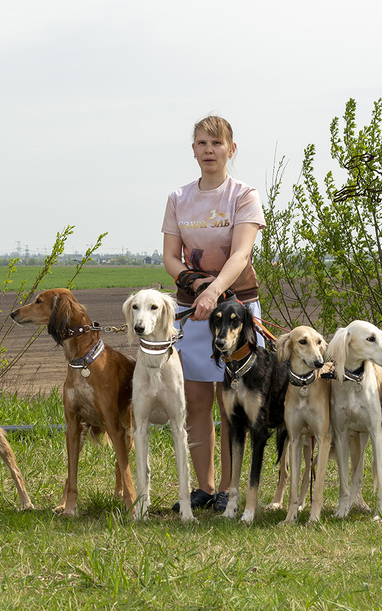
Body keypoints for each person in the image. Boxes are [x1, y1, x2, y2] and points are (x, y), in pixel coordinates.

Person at [161, 115, 266, 513]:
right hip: (192, 309)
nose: (209, 151)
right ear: (193, 150)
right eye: (202, 143)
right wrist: (195, 284)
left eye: (216, 144)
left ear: (231, 150)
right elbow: (170, 257)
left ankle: (228, 488)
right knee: (196, 400)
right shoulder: (177, 199)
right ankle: (202, 488)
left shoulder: (243, 195)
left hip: (235, 311)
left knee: (231, 403)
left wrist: (216, 290)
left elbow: (241, 253)